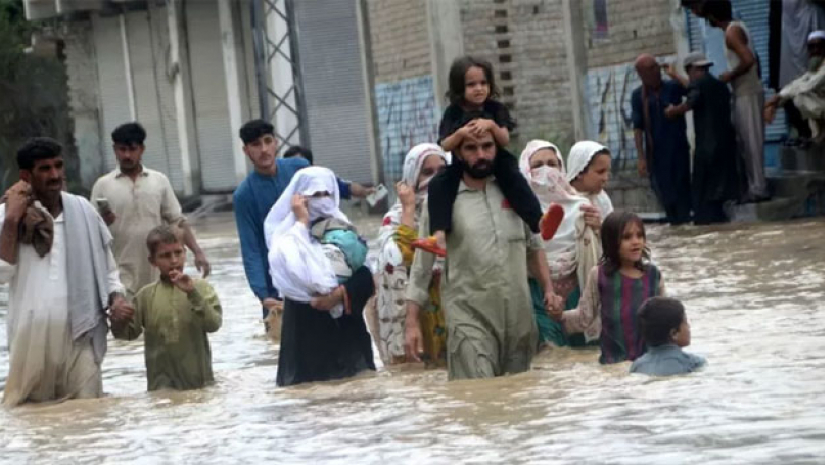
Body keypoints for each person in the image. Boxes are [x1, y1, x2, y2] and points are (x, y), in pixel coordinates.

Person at [405, 126, 560, 380]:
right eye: (471, 148)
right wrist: (411, 323)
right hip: (469, 319)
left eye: (487, 147)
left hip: (518, 320)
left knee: (519, 399)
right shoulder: (443, 200)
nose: (481, 155)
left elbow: (534, 246)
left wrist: (549, 290)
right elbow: (422, 267)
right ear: (458, 152)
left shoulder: (515, 192)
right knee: (477, 397)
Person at [0, 138, 131, 406]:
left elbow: (108, 271)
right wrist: (12, 221)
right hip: (31, 340)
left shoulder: (84, 211)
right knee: (36, 419)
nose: (55, 175)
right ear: (26, 176)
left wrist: (117, 298)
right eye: (45, 169)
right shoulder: (7, 216)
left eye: (58, 166)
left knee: (89, 411)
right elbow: (2, 275)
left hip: (81, 332)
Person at [416, 56, 546, 256]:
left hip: (497, 160)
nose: (479, 89)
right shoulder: (453, 113)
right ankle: (439, 236)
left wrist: (491, 126)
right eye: (471, 84)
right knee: (439, 184)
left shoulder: (495, 109)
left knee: (515, 180)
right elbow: (445, 144)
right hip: (464, 163)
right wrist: (461, 134)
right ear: (460, 88)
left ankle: (539, 221)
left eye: (483, 83)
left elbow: (504, 140)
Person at [264, 167, 375, 386]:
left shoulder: (346, 233)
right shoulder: (287, 239)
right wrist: (302, 224)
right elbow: (296, 270)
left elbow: (367, 278)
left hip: (348, 340)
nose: (322, 201)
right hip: (306, 341)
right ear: (299, 199)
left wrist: (339, 294)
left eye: (327, 194)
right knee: (309, 404)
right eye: (315, 195)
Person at [91, 122, 210, 297]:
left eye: (132, 149)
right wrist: (103, 221)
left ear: (142, 149)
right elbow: (91, 230)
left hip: (159, 270)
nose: (127, 155)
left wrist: (198, 253)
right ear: (115, 149)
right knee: (127, 320)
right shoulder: (103, 185)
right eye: (122, 150)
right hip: (120, 273)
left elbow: (178, 221)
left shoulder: (159, 181)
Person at [111, 226, 222, 391]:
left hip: (199, 385)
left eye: (178, 253)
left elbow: (213, 324)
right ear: (153, 261)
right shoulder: (145, 296)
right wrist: (117, 319)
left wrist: (193, 293)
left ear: (185, 253)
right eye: (165, 256)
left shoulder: (202, 288)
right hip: (160, 387)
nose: (174, 261)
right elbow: (127, 334)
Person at [519, 140, 603, 348]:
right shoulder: (517, 212)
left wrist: (600, 230)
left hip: (579, 292)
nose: (546, 170)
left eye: (551, 163)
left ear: (561, 168)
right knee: (549, 353)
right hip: (536, 295)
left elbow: (604, 255)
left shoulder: (583, 207)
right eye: (537, 165)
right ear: (525, 171)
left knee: (583, 354)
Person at [372, 144, 449, 365]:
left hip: (452, 305)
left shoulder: (457, 209)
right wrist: (408, 209)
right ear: (411, 177)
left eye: (441, 172)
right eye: (427, 172)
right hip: (415, 312)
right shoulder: (394, 219)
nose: (435, 179)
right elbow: (400, 258)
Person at [555, 212, 665, 364]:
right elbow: (584, 318)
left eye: (639, 236)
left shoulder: (653, 275)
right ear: (611, 242)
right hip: (613, 362)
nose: (636, 242)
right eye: (627, 237)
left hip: (649, 361)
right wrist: (558, 315)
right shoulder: (599, 275)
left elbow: (666, 317)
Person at [233, 120, 309, 328]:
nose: (264, 149)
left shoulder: (299, 170)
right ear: (246, 150)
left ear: (276, 143)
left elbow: (327, 204)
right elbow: (251, 247)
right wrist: (262, 294)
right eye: (256, 145)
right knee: (280, 350)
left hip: (313, 272)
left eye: (268, 141)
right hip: (276, 285)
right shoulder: (244, 195)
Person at [704, 0, 769, 202]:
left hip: (746, 92)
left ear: (713, 16)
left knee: (751, 143)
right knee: (747, 141)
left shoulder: (732, 32)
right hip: (748, 90)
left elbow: (748, 59)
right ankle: (755, 186)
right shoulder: (740, 26)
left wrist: (729, 76)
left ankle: (758, 189)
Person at [665, 52, 740, 225]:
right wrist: (675, 76)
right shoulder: (720, 85)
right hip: (726, 144)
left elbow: (690, 102)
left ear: (690, 69)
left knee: (703, 193)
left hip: (707, 147)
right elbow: (695, 90)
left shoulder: (698, 84)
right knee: (720, 192)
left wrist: (672, 111)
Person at [632, 54, 692, 224]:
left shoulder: (672, 87)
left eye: (656, 67)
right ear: (641, 74)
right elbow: (638, 128)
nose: (656, 72)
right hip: (656, 156)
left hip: (679, 150)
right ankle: (675, 226)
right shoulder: (638, 96)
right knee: (666, 196)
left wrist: (675, 74)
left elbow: (694, 91)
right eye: (650, 69)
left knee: (683, 193)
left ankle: (684, 225)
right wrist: (641, 158)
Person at [765, 31, 825, 142]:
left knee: (799, 97)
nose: (816, 50)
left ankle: (807, 132)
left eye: (819, 46)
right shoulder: (813, 68)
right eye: (812, 47)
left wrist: (775, 100)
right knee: (792, 94)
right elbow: (797, 83)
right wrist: (773, 104)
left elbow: (809, 85)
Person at [631, 297, 706, 376]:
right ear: (674, 333)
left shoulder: (637, 366)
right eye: (686, 322)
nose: (689, 327)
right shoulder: (694, 363)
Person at [283, 145, 375, 200]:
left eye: (299, 166)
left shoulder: (322, 180)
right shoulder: (282, 184)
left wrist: (365, 192)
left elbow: (346, 188)